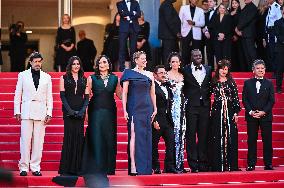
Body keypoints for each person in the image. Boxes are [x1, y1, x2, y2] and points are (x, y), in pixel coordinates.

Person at [14, 52, 53, 176]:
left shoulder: (47, 77)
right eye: (35, 61)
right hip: (26, 110)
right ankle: (24, 167)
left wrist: (49, 112)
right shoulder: (23, 75)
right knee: (25, 140)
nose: (37, 63)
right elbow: (17, 94)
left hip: (41, 111)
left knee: (38, 141)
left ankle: (35, 167)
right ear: (30, 62)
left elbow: (49, 97)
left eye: (39, 61)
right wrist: (17, 111)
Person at [81, 55, 121, 176]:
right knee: (96, 137)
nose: (102, 64)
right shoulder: (91, 78)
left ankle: (108, 168)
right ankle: (96, 167)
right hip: (95, 111)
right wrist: (86, 112)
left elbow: (120, 95)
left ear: (109, 64)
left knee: (109, 137)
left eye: (104, 62)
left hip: (110, 111)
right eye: (100, 63)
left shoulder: (115, 78)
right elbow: (86, 97)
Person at [121, 51, 157, 175]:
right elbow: (124, 93)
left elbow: (153, 93)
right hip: (134, 107)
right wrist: (124, 109)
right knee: (134, 136)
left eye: (145, 58)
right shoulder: (128, 73)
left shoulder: (150, 74)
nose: (144, 60)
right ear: (136, 60)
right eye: (142, 58)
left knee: (146, 136)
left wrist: (155, 108)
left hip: (147, 108)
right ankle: (133, 167)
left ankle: (146, 168)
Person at [58, 56, 89, 175]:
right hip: (68, 111)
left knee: (79, 139)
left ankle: (77, 168)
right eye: (74, 64)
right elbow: (62, 96)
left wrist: (82, 111)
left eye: (78, 64)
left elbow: (86, 98)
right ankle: (66, 169)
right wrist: (69, 110)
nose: (76, 66)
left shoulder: (84, 79)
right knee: (69, 138)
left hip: (80, 111)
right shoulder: (63, 78)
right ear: (70, 65)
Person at [242, 59, 275, 171]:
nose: (260, 70)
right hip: (251, 117)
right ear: (253, 70)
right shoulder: (247, 83)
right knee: (251, 140)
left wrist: (263, 112)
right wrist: (251, 112)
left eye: (262, 68)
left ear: (265, 70)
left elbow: (271, 101)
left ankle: (268, 163)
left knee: (267, 140)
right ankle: (251, 164)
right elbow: (245, 99)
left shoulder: (269, 83)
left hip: (266, 116)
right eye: (258, 68)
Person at [183, 49, 212, 173]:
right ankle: (193, 164)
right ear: (191, 57)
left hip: (205, 106)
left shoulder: (208, 69)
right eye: (195, 55)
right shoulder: (185, 70)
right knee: (191, 135)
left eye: (200, 55)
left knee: (203, 135)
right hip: (191, 106)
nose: (198, 57)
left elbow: (210, 85)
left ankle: (203, 163)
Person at [210, 59, 241, 172]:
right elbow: (207, 95)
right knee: (217, 137)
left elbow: (236, 99)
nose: (224, 71)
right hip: (217, 111)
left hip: (229, 110)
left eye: (226, 69)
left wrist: (236, 113)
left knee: (231, 136)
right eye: (223, 68)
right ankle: (218, 165)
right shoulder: (213, 81)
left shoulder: (231, 82)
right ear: (218, 69)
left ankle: (231, 165)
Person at [152, 65, 176, 174]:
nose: (163, 75)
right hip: (158, 119)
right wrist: (154, 120)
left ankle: (169, 166)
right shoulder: (152, 87)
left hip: (168, 119)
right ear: (155, 75)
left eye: (164, 72)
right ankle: (155, 166)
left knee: (171, 142)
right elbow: (151, 104)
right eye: (161, 73)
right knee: (154, 144)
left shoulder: (167, 86)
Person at [167, 52, 187, 173]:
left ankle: (180, 164)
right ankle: (171, 165)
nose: (175, 63)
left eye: (177, 61)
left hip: (182, 109)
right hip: (170, 109)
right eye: (172, 61)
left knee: (181, 135)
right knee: (172, 137)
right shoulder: (166, 75)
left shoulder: (184, 75)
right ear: (170, 63)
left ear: (180, 63)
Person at [117, 0, 141, 71]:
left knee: (133, 49)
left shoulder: (135, 2)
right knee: (122, 48)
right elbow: (122, 13)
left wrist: (128, 16)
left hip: (134, 28)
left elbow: (139, 14)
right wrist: (133, 13)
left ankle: (134, 68)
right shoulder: (119, 3)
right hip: (124, 28)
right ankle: (122, 68)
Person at [179, 0, 205, 65]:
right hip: (185, 33)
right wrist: (180, 31)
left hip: (196, 35)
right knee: (185, 53)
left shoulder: (200, 10)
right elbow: (179, 21)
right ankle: (184, 69)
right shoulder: (183, 8)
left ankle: (196, 70)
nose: (195, 1)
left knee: (196, 54)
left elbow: (202, 23)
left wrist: (194, 23)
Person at [235, 0, 258, 71]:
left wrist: (237, 28)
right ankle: (250, 71)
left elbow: (247, 20)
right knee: (246, 55)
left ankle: (256, 70)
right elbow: (241, 19)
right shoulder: (246, 7)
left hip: (249, 34)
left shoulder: (253, 7)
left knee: (252, 54)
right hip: (243, 34)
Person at [158, 0, 181, 67]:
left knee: (171, 56)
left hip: (170, 36)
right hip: (169, 36)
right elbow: (169, 20)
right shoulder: (167, 5)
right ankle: (167, 74)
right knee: (168, 57)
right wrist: (176, 32)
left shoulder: (167, 4)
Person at [265, 0, 282, 73]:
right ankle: (274, 70)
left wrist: (277, 32)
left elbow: (279, 20)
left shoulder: (276, 6)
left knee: (275, 51)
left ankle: (277, 71)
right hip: (269, 31)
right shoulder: (270, 7)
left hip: (274, 31)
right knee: (271, 51)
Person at [203, 0, 217, 68]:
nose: (209, 3)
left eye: (211, 1)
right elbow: (204, 24)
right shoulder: (207, 13)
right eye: (208, 2)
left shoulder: (220, 11)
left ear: (215, 2)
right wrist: (205, 32)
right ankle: (210, 73)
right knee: (209, 55)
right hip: (208, 38)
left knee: (218, 56)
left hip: (217, 37)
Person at [275, 6, 284, 93]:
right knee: (280, 67)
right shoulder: (277, 22)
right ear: (281, 11)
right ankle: (278, 86)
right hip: (281, 48)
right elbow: (278, 35)